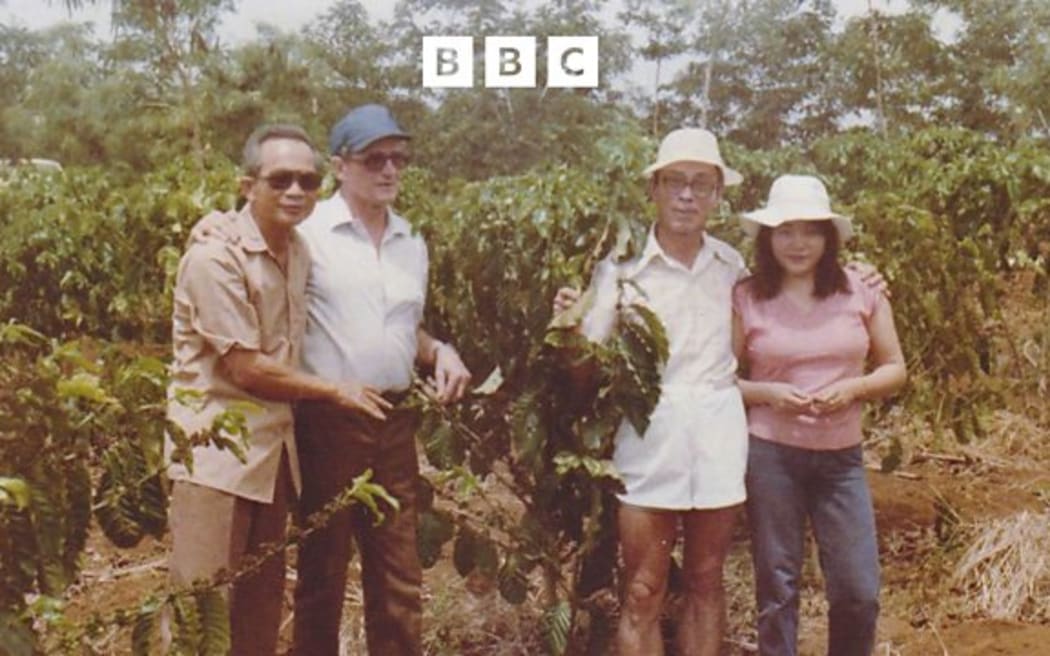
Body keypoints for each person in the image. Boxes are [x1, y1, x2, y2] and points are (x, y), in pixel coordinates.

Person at [165, 124, 388, 655]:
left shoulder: (299, 251)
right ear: (247, 186)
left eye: (308, 181)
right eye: (280, 179)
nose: (295, 191)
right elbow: (246, 368)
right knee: (200, 619)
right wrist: (336, 390)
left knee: (256, 620)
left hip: (270, 460)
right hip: (216, 463)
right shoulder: (215, 257)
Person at [553, 127, 750, 656]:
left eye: (701, 184)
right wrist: (569, 328)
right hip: (648, 440)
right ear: (655, 190)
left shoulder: (733, 268)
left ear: (717, 196)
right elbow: (582, 371)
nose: (687, 195)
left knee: (707, 583)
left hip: (717, 435)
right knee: (643, 588)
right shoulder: (618, 271)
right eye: (675, 182)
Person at [292, 104, 472, 656]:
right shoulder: (307, 233)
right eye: (375, 159)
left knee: (399, 575)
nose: (390, 170)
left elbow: (403, 328)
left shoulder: (410, 239)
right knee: (322, 572)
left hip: (394, 421)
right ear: (340, 166)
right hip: (328, 420)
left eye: (399, 158)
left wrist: (441, 350)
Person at [731, 174, 907, 656]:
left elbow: (895, 368)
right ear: (768, 238)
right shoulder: (747, 296)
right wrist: (768, 393)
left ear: (829, 237)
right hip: (771, 456)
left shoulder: (861, 289)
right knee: (778, 587)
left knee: (857, 590)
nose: (798, 242)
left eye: (810, 230)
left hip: (841, 460)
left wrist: (855, 388)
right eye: (785, 230)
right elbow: (721, 379)